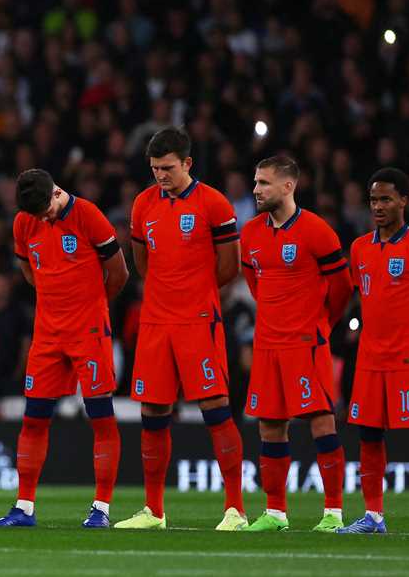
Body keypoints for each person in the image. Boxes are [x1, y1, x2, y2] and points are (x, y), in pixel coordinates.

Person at [115, 127, 246, 531]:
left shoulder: (214, 203)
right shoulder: (143, 205)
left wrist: (194, 291)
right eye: (155, 168)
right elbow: (141, 261)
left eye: (168, 168)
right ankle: (154, 510)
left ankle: (235, 509)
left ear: (188, 163)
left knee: (215, 409)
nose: (160, 176)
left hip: (198, 321)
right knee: (153, 411)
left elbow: (230, 266)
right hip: (155, 321)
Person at [0, 169, 128, 528]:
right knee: (33, 419)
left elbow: (119, 273)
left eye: (45, 212)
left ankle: (101, 509)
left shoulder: (88, 215)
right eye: (35, 216)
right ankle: (24, 508)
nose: (42, 219)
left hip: (89, 332)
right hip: (48, 334)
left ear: (56, 194)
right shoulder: (25, 222)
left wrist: (90, 305)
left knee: (101, 417)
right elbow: (28, 270)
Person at [238, 157, 353, 533]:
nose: (256, 190)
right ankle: (275, 512)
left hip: (306, 343)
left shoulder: (317, 231)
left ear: (288, 187)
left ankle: (333, 513)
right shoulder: (251, 234)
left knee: (321, 421)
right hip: (267, 344)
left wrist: (320, 322)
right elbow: (256, 284)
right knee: (270, 427)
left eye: (264, 183)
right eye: (256, 182)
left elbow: (342, 289)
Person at [339, 168, 409, 536]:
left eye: (386, 199)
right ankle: (373, 517)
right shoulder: (359, 248)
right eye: (373, 200)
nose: (378, 206)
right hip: (371, 359)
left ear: (405, 200)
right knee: (369, 436)